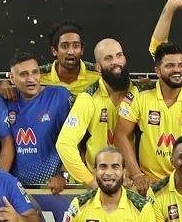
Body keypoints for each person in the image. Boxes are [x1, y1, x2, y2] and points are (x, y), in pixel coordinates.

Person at [116, 42, 182, 188]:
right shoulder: (139, 95)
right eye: (170, 66)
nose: (177, 70)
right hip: (148, 184)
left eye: (181, 65)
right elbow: (120, 135)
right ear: (157, 71)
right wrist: (137, 175)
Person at [56, 38, 132, 189]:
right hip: (99, 187)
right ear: (98, 67)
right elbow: (64, 144)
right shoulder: (88, 98)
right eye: (108, 58)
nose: (115, 62)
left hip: (133, 185)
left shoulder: (139, 93)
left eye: (119, 55)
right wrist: (90, 181)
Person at [4, 51, 74, 193]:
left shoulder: (59, 96)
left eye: (35, 72)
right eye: (23, 74)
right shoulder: (6, 99)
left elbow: (75, 140)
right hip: (17, 189)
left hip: (54, 187)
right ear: (12, 78)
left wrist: (63, 175)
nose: (31, 79)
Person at [41, 21, 102, 96]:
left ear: (82, 50)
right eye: (64, 46)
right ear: (54, 51)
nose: (71, 52)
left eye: (76, 46)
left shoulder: (99, 75)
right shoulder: (38, 77)